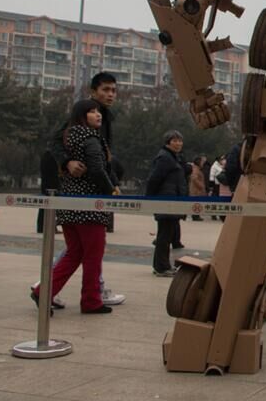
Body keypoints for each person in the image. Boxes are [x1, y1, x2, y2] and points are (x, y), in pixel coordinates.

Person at [34, 72, 125, 306]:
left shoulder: (103, 118)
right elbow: (55, 142)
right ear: (93, 92)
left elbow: (105, 159)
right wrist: (67, 162)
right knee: (87, 250)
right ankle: (60, 289)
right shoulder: (82, 117)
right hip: (83, 193)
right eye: (105, 90)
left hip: (84, 192)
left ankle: (56, 289)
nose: (110, 94)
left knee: (81, 250)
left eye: (113, 90)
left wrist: (112, 181)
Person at [146, 130, 188, 276]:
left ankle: (161, 265)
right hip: (166, 202)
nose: (178, 143)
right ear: (168, 142)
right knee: (164, 236)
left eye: (180, 140)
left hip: (173, 201)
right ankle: (162, 267)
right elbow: (154, 179)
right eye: (174, 140)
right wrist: (150, 199)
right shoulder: (165, 158)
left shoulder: (174, 158)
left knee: (166, 235)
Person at [189, 155, 208, 221]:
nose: (203, 163)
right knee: (196, 203)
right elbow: (194, 178)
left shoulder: (197, 169)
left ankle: (196, 216)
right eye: (202, 161)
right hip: (196, 190)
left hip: (197, 190)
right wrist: (201, 186)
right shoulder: (196, 169)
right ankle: (195, 216)